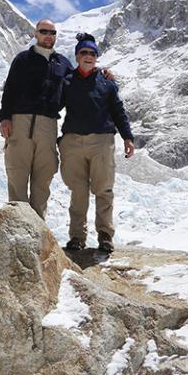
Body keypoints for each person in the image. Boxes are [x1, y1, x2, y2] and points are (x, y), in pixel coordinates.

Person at [59, 33, 134, 253]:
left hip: (102, 141)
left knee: (103, 189)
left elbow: (118, 111)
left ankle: (105, 235)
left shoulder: (107, 83)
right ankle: (76, 237)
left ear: (97, 57)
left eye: (92, 53)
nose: (88, 56)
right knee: (78, 191)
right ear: (77, 55)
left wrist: (127, 137)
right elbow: (51, 106)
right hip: (72, 141)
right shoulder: (67, 82)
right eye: (84, 53)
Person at [0, 19, 72, 219]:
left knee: (44, 176)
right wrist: (5, 117)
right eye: (44, 31)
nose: (49, 35)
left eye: (52, 32)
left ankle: (38, 227)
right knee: (17, 174)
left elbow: (79, 86)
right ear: (36, 34)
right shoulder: (22, 59)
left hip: (48, 124)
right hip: (20, 121)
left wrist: (103, 75)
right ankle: (17, 224)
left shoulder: (63, 63)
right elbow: (10, 89)